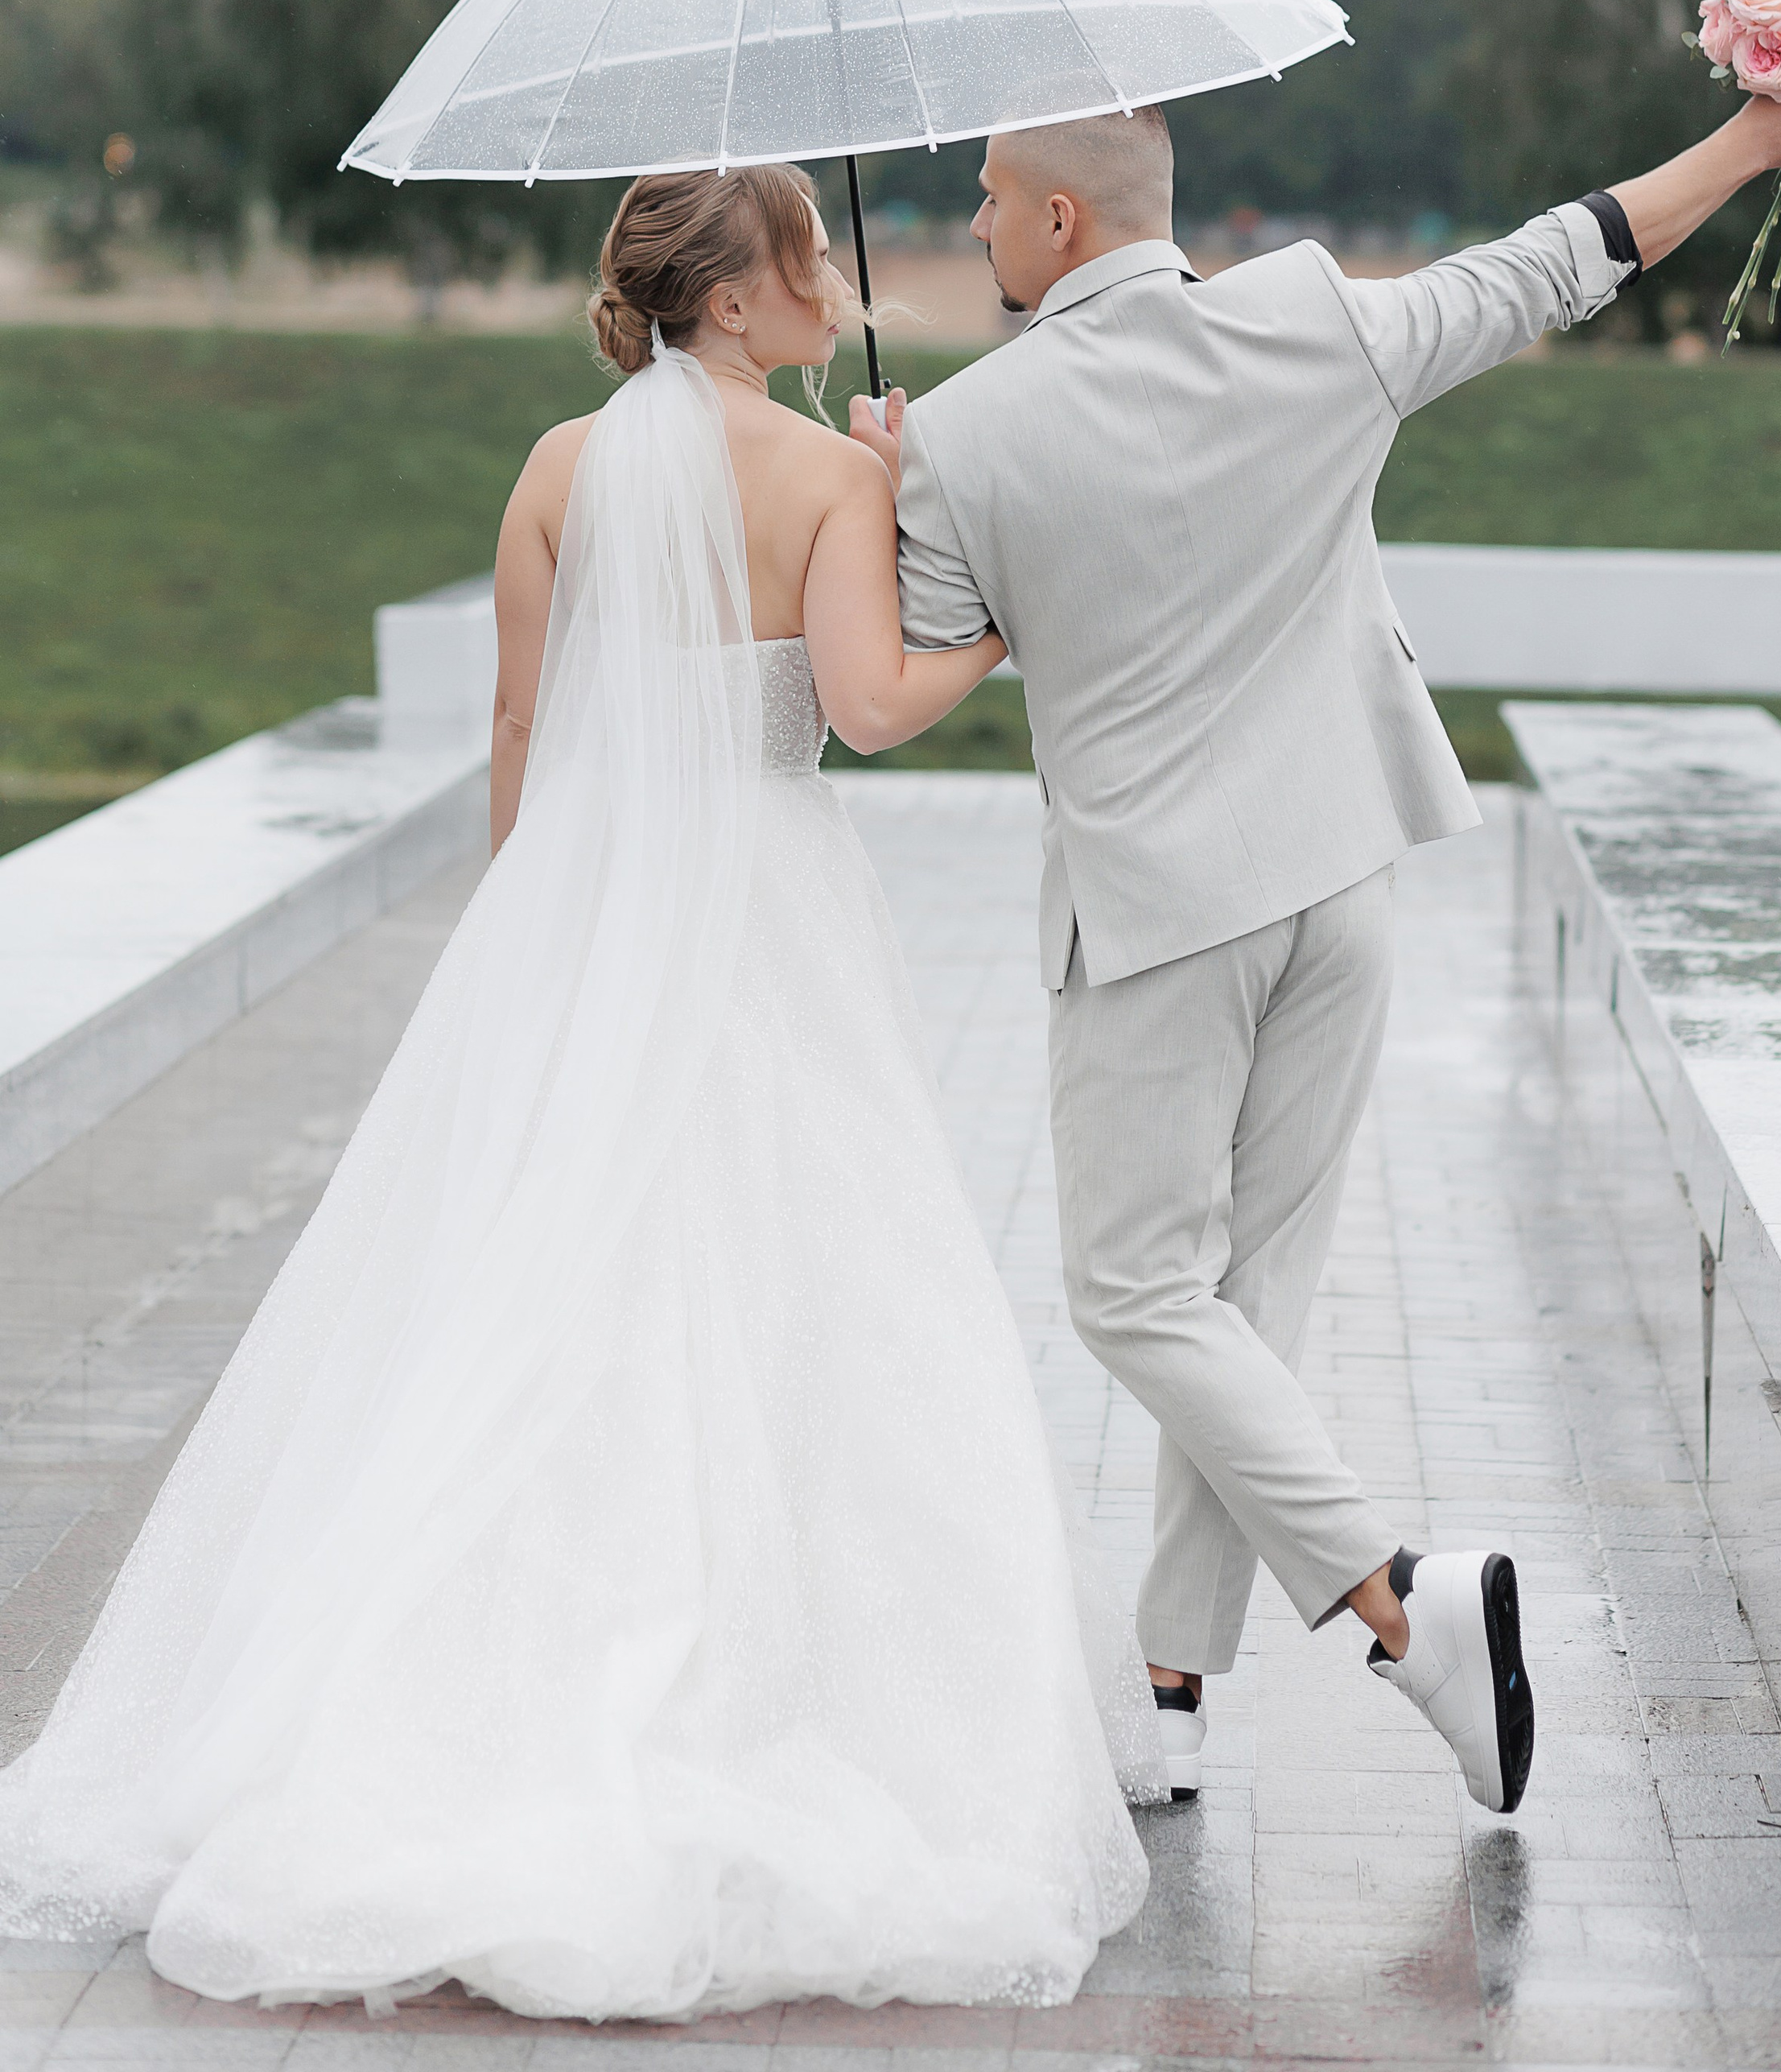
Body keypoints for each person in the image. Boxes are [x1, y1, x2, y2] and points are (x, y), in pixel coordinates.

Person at [0, 165, 1157, 2024]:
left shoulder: (556, 466)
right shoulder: (837, 479)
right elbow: (864, 709)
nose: (828, 289)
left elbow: (521, 725)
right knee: (798, 1273)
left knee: (521, 1282)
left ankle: (431, 1689)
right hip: (768, 909)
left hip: (576, 904)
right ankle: (798, 1684)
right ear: (728, 304)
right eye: (803, 266)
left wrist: (526, 926)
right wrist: (992, 623)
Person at [849, 74, 1781, 1817]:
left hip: (1159, 916)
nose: (969, 225)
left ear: (1057, 222)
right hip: (1342, 869)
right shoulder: (1314, 317)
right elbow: (1564, 258)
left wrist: (888, 489)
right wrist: (1755, 142)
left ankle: (1406, 1612)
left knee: (1130, 1294)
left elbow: (928, 663)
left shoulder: (968, 428)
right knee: (1241, 1305)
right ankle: (1173, 1691)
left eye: (987, 198)